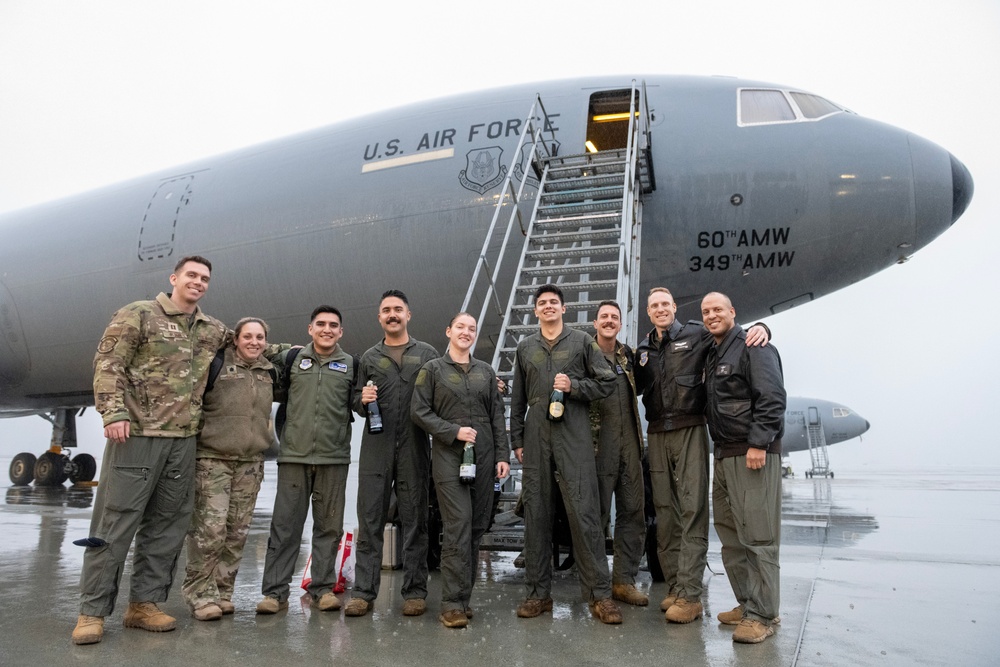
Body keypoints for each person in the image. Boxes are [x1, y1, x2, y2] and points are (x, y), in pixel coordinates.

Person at [73, 256, 228, 645]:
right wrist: (113, 412)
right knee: (115, 523)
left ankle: (144, 604)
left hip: (183, 440)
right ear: (174, 278)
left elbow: (250, 345)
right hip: (136, 436)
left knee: (167, 526)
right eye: (191, 275)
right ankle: (91, 611)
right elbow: (108, 362)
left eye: (204, 278)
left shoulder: (210, 329)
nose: (198, 282)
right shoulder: (139, 314)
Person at [634, 287, 769, 624]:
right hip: (657, 432)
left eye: (666, 304)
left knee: (691, 509)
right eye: (654, 306)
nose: (661, 309)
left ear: (674, 307)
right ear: (648, 312)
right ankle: (677, 587)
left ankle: (691, 595)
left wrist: (764, 328)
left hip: (690, 429)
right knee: (664, 514)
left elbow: (732, 335)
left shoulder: (697, 334)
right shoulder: (644, 350)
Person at [510, 284, 622, 624]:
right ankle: (537, 595)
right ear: (535, 311)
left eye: (553, 303)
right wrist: (517, 439)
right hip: (535, 437)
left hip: (572, 436)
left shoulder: (582, 342)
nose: (548, 307)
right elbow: (517, 400)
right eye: (542, 303)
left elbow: (607, 382)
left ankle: (600, 597)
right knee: (537, 517)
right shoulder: (525, 347)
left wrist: (574, 387)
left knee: (585, 516)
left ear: (564, 308)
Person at [410, 313, 511, 628]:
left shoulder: (485, 372)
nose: (466, 332)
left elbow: (496, 415)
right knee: (459, 523)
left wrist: (502, 455)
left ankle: (463, 599)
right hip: (449, 455)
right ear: (448, 331)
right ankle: (451, 603)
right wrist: (452, 430)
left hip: (484, 456)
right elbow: (419, 410)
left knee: (478, 525)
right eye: (461, 328)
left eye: (472, 329)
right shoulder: (433, 370)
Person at [256, 306, 356, 614]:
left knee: (328, 527)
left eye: (333, 325)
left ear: (341, 332)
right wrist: (287, 349)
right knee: (285, 526)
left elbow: (360, 406)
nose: (327, 329)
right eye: (321, 324)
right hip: (294, 457)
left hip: (333, 457)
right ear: (310, 329)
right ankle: (275, 592)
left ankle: (323, 589)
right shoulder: (293, 360)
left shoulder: (351, 364)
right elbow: (256, 349)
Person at [345, 290, 438, 617]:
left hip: (414, 447)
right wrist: (364, 400)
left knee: (416, 521)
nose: (392, 314)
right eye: (386, 310)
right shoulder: (369, 357)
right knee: (369, 519)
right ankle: (363, 592)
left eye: (398, 309)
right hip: (376, 447)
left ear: (408, 315)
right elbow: (355, 402)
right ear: (380, 317)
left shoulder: (427, 353)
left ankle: (414, 592)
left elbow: (440, 398)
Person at [702, 292, 785, 644]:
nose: (711, 316)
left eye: (717, 309)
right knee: (731, 537)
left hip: (751, 453)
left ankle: (764, 614)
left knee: (758, 536)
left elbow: (772, 397)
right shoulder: (713, 350)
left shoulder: (754, 345)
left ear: (733, 312)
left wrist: (759, 442)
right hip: (723, 454)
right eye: (706, 312)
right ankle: (748, 603)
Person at [182, 317, 275, 620]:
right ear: (236, 339)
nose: (254, 342)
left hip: (250, 464)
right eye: (247, 336)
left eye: (260, 337)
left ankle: (223, 592)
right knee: (210, 531)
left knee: (237, 532)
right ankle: (200, 595)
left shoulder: (268, 370)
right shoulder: (216, 363)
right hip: (213, 459)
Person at [589, 301, 648, 607]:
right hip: (598, 448)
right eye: (604, 317)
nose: (609, 321)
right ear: (595, 323)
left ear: (620, 324)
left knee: (633, 513)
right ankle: (597, 585)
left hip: (630, 445)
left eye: (614, 317)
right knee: (595, 517)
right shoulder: (584, 354)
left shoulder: (630, 356)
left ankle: (623, 580)